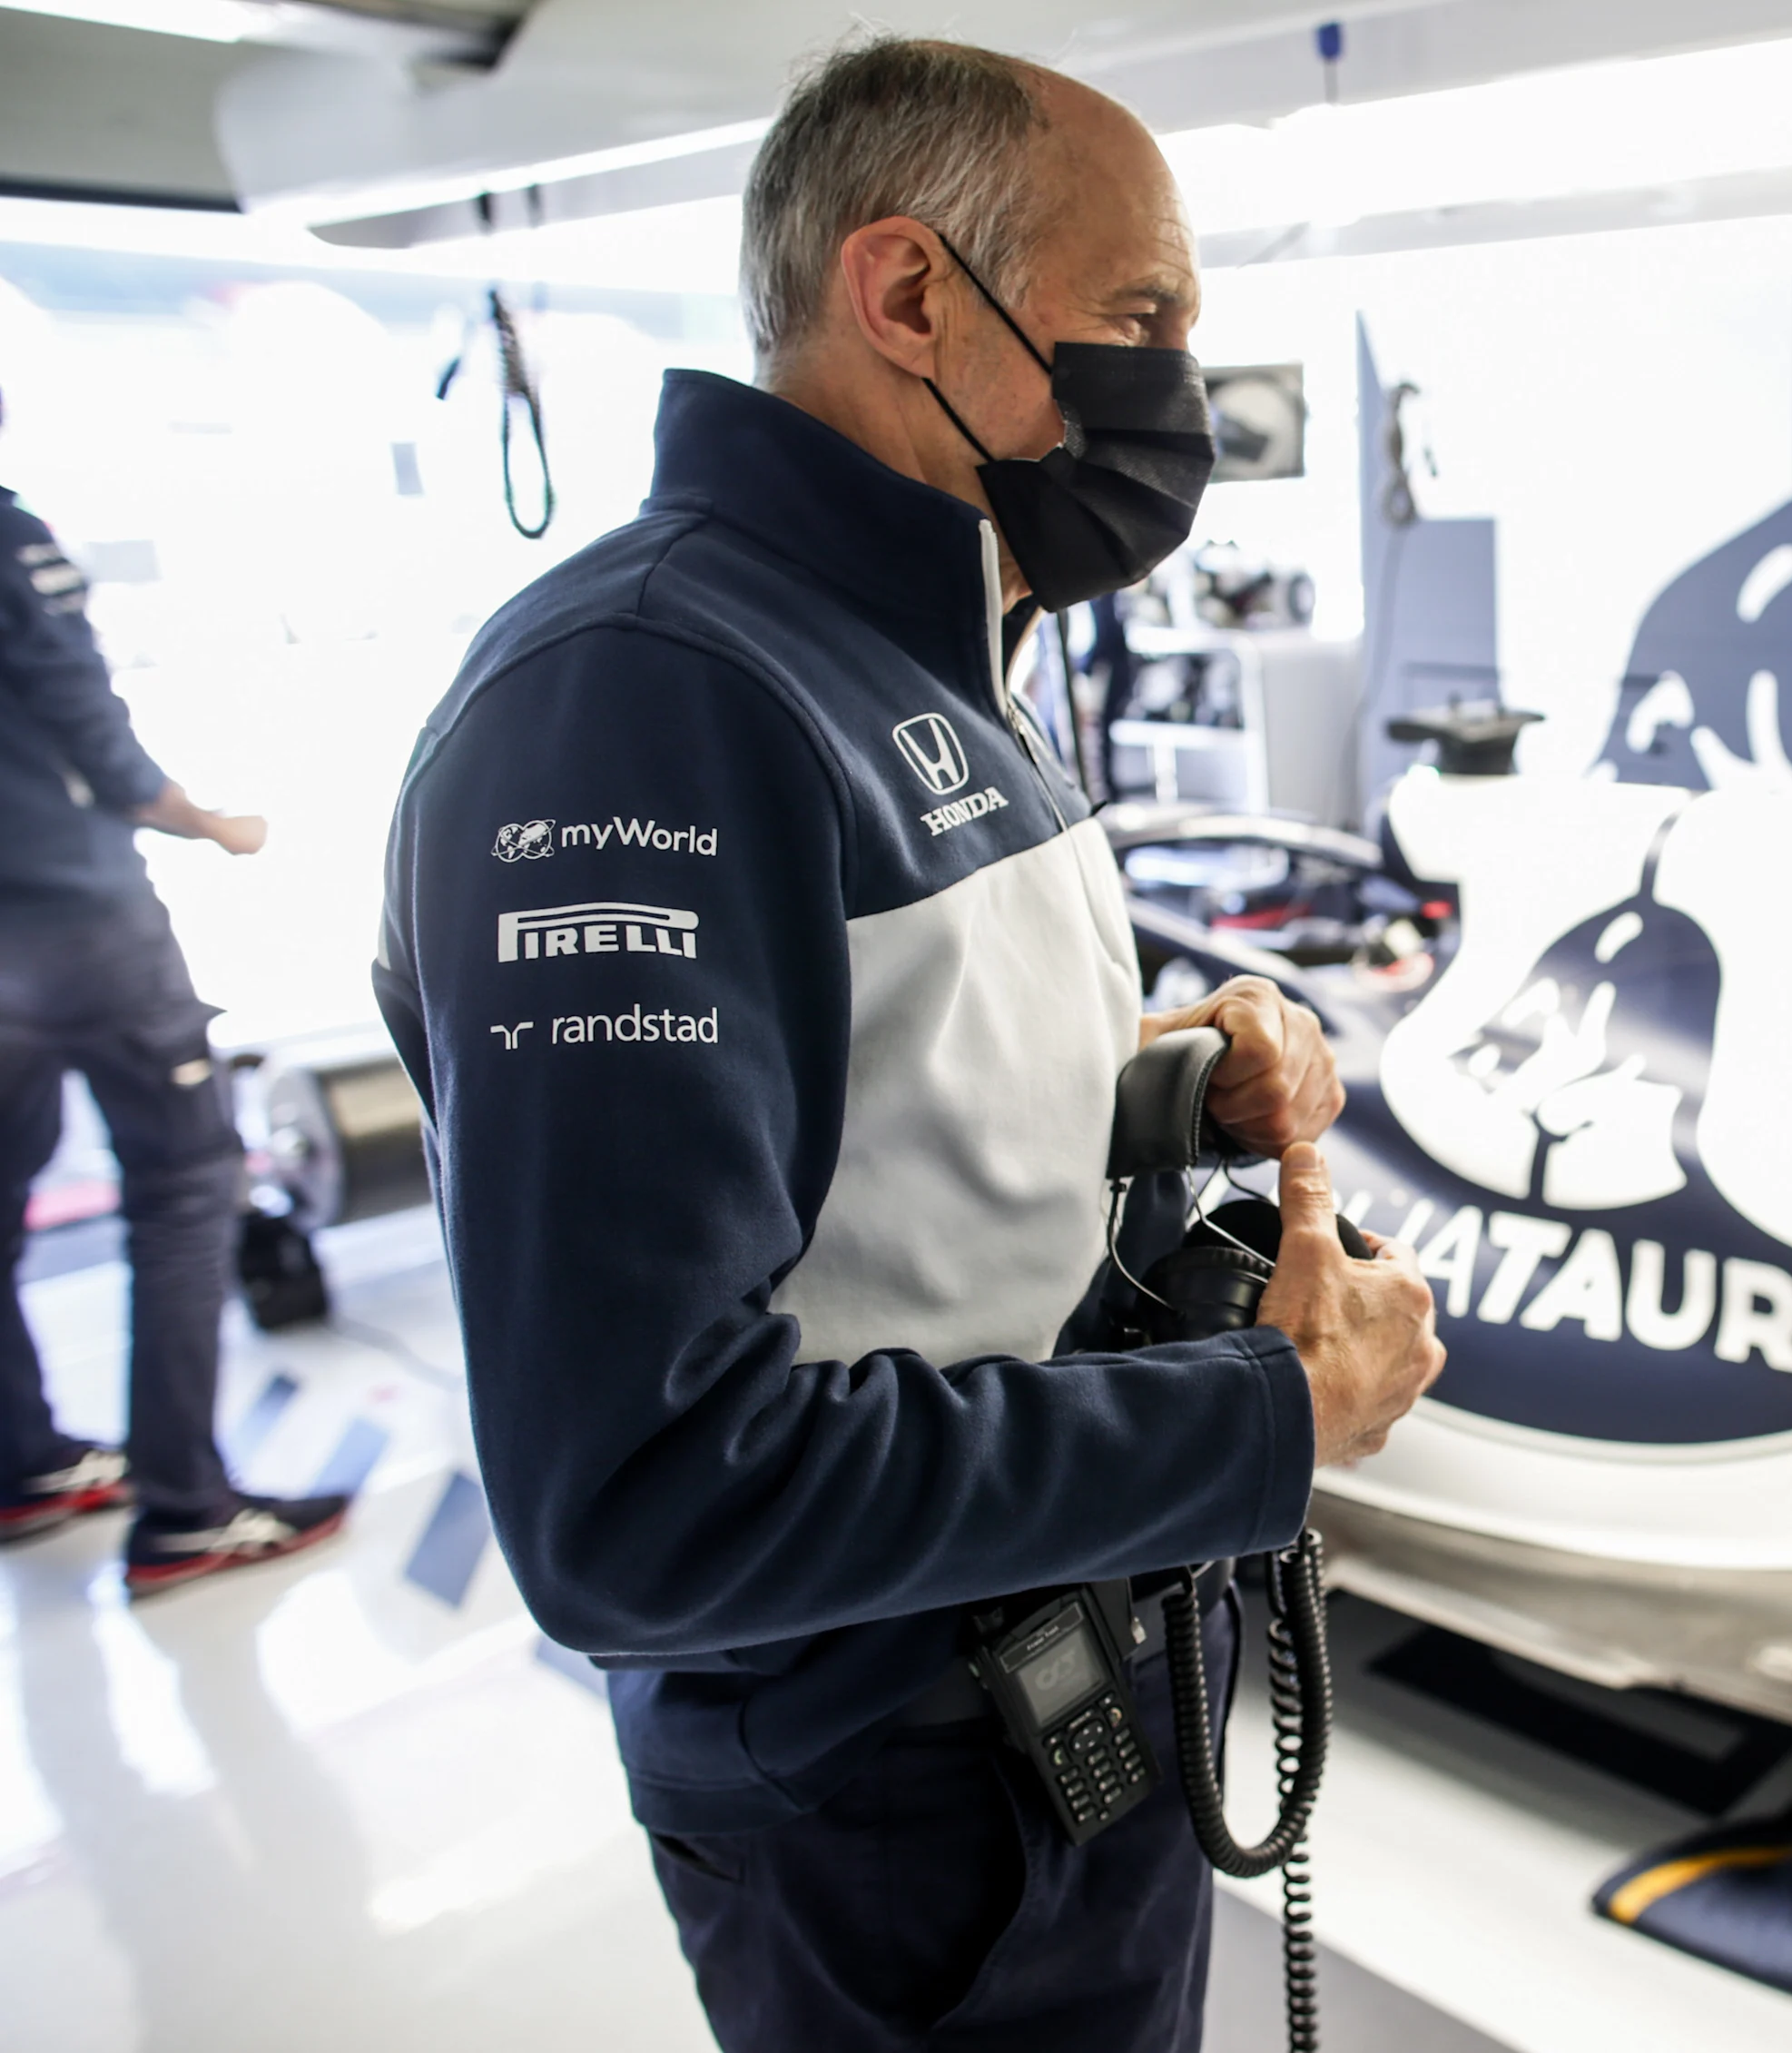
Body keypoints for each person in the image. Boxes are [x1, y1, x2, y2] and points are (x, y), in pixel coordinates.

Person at [371, 38, 1442, 2053]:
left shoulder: (924, 646)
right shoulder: (645, 701)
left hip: (1070, 1658)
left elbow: (858, 1115)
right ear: (908, 292)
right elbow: (645, 1497)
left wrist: (1163, 1091)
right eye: (1143, 314)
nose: (1183, 381)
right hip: (888, 1767)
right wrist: (1264, 1416)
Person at [0, 390, 350, 1587]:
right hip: (79, 924)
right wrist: (207, 821)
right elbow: (85, 722)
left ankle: (25, 1461)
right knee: (188, 1189)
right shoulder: (9, 536)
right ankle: (188, 1506)